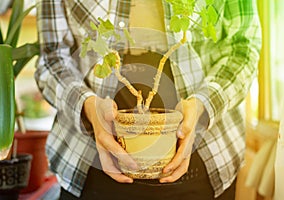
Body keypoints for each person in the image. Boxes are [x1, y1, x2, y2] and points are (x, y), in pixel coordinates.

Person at [35, 0, 262, 199]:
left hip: (205, 159)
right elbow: (53, 58)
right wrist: (88, 108)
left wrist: (203, 104)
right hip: (87, 163)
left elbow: (243, 47)